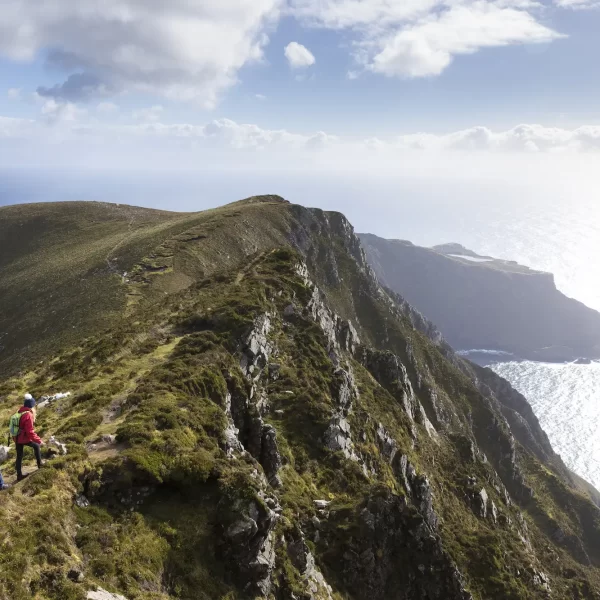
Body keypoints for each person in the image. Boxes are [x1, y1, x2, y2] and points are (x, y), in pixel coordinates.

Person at [13, 393, 44, 482]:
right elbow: (30, 432)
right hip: (23, 438)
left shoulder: (20, 411)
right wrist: (39, 440)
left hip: (16, 438)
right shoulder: (28, 415)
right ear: (31, 405)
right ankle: (40, 465)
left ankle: (19, 475)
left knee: (19, 456)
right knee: (37, 446)